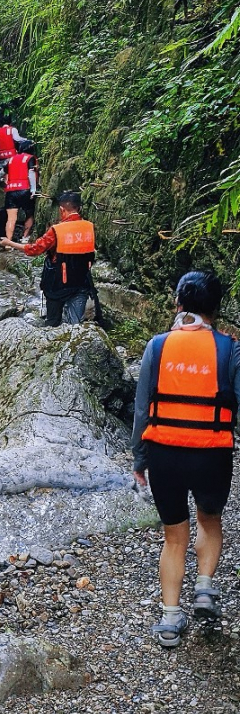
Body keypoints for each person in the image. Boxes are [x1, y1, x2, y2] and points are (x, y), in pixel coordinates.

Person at [132, 270, 239, 647]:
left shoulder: (158, 346)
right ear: (216, 309)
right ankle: (205, 588)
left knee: (174, 536)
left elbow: (143, 408)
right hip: (212, 453)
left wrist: (138, 458)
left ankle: (170, 620)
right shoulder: (230, 348)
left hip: (165, 453)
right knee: (209, 520)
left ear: (178, 304)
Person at [0, 189, 94, 324]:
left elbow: (34, 249)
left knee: (52, 324)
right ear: (78, 208)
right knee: (76, 327)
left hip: (58, 286)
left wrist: (9, 243)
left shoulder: (56, 230)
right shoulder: (89, 227)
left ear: (62, 209)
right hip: (82, 282)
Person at [1, 144, 37, 242]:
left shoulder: (10, 160)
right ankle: (25, 237)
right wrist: (33, 189)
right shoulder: (30, 158)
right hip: (25, 189)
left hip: (11, 191)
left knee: (11, 218)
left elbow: (5, 175)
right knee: (29, 214)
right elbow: (31, 173)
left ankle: (8, 242)